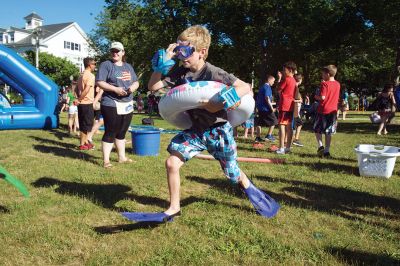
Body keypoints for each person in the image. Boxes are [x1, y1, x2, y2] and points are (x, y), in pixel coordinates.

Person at [146, 25, 279, 220]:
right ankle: (174, 207)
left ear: (202, 52)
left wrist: (218, 103)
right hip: (196, 130)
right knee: (171, 162)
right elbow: (153, 88)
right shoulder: (178, 74)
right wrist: (160, 67)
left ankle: (251, 190)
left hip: (219, 131)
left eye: (186, 51)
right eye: (178, 51)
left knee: (233, 175)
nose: (181, 56)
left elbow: (245, 87)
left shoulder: (214, 73)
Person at [96, 41, 139, 168]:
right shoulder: (106, 65)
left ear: (123, 52)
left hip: (127, 102)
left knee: (122, 131)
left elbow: (136, 82)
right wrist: (115, 89)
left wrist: (131, 89)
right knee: (111, 130)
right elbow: (99, 82)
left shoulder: (128, 67)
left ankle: (122, 157)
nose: (115, 53)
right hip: (111, 102)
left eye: (118, 51)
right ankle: (106, 161)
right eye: (113, 51)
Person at [313, 65, 341, 158]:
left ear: (328, 74)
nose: (322, 76)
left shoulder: (324, 84)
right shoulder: (338, 84)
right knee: (329, 131)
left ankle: (320, 146)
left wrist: (316, 97)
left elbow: (322, 97)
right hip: (333, 111)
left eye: (323, 74)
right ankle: (327, 151)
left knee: (317, 129)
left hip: (323, 110)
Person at [276, 61, 297, 154]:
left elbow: (278, 89)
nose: (283, 72)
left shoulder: (287, 79)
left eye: (285, 70)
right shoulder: (294, 80)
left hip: (284, 105)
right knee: (289, 127)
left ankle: (281, 148)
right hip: (291, 106)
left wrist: (279, 78)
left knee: (281, 126)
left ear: (290, 70)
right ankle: (288, 147)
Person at [76, 57, 96, 150]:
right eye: (94, 64)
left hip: (82, 104)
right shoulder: (91, 76)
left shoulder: (81, 75)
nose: (95, 66)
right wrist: (79, 99)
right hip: (86, 103)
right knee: (86, 125)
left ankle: (85, 143)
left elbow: (76, 89)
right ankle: (82, 144)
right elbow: (87, 89)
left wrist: (78, 98)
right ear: (89, 65)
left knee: (85, 124)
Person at [254, 75, 277, 143]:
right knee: (274, 121)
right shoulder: (267, 87)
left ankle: (258, 137)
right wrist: (271, 108)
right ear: (269, 80)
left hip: (260, 108)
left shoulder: (262, 87)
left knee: (260, 122)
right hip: (266, 109)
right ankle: (269, 135)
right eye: (273, 81)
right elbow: (267, 98)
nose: (273, 82)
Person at [292, 73, 304, 147]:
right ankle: (295, 139)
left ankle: (294, 139)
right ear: (299, 80)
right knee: (297, 124)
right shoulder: (295, 87)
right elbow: (293, 99)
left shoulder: (295, 87)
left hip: (296, 110)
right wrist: (299, 101)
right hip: (294, 110)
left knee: (298, 124)